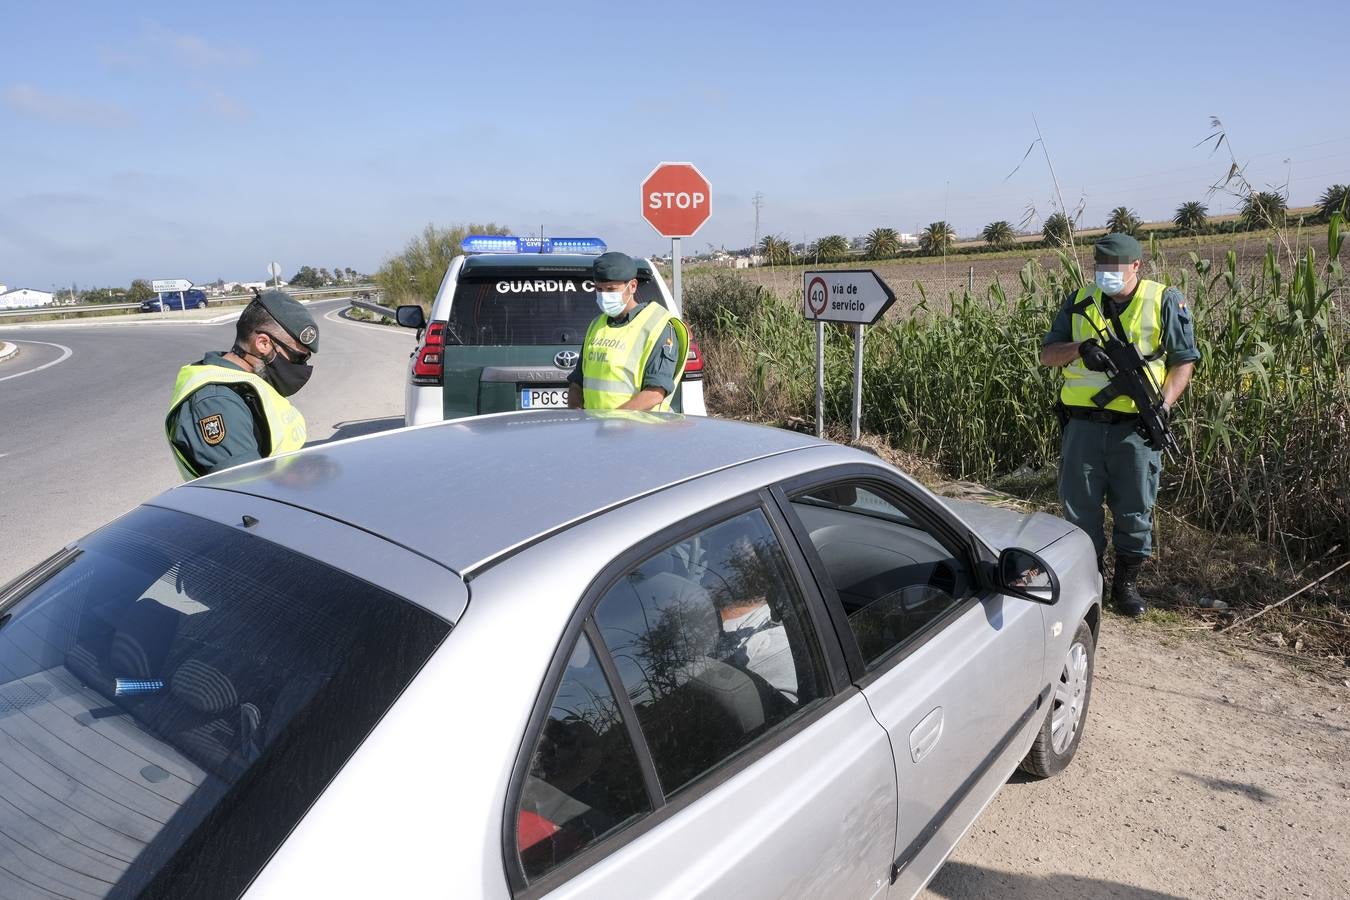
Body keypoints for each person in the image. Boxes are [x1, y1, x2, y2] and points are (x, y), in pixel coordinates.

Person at [1039, 233, 1200, 616]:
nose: (1106, 275)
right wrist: (1081, 349)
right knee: (1079, 508)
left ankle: (1125, 586)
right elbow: (1048, 354)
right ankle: (1090, 579)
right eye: (1101, 268)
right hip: (1083, 425)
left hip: (1136, 426)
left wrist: (1164, 404)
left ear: (1136, 266)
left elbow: (1184, 360)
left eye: (1115, 269)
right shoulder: (1080, 301)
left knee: (1134, 508)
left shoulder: (1163, 300)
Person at [166, 289, 319, 479]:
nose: (301, 367)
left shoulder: (250, 383)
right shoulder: (216, 401)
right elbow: (246, 487)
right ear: (263, 343)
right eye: (298, 357)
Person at [566, 251, 689, 412]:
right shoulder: (596, 325)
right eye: (599, 289)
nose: (604, 296)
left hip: (639, 430)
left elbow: (655, 393)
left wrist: (614, 420)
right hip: (596, 429)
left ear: (632, 286)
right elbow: (577, 381)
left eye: (611, 289)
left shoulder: (658, 326)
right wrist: (577, 414)